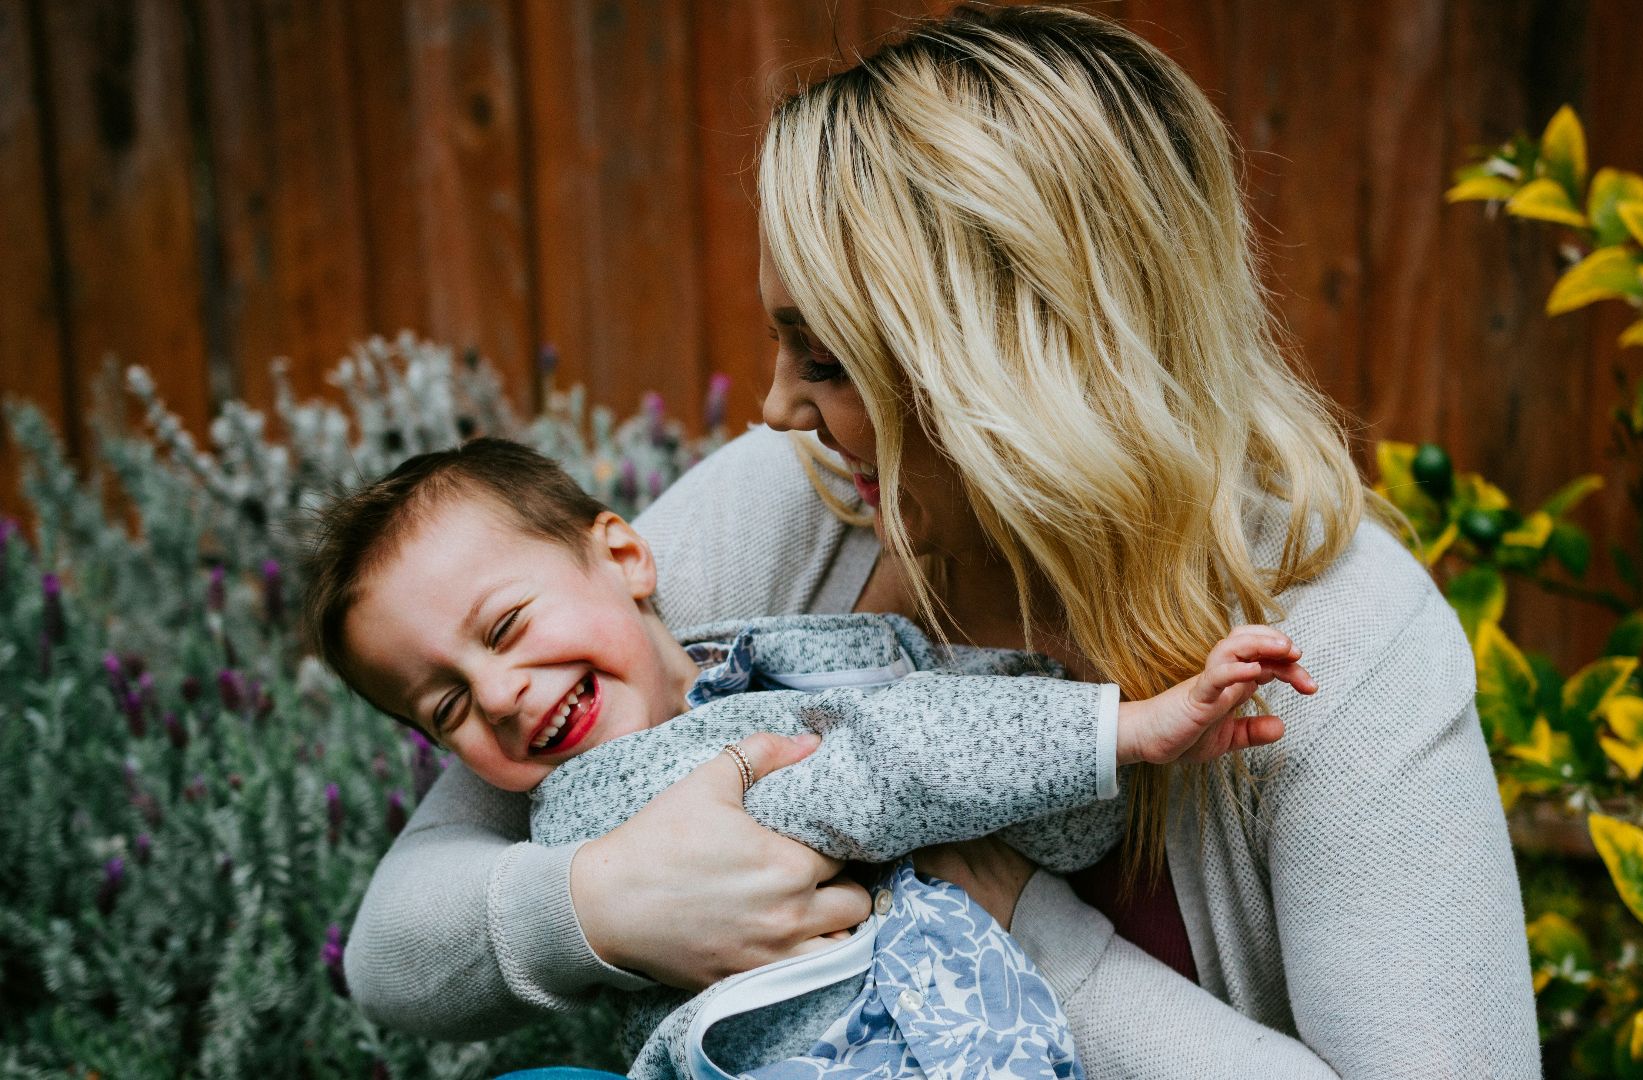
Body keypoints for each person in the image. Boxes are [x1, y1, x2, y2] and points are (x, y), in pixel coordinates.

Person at [346, 5, 1540, 1077]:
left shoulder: (1341, 643)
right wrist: (601, 904)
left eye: (826, 361)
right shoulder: (796, 502)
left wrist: (1019, 920)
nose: (776, 409)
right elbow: (398, 945)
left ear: (1015, 364)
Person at [308, 437, 1315, 1078]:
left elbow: (1015, 793)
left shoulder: (772, 659)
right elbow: (879, 768)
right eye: (446, 707)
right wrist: (1124, 731)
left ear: (624, 556)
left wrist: (1078, 777)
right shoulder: (605, 797)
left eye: (506, 628)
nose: (499, 695)